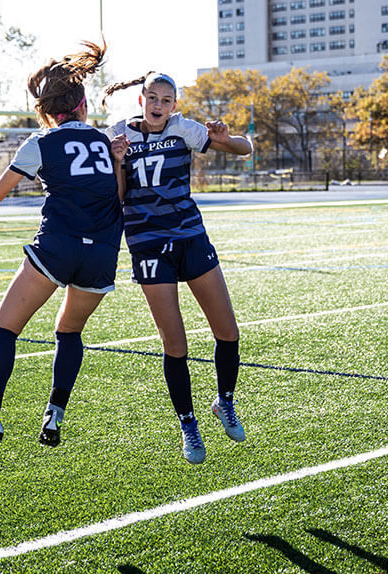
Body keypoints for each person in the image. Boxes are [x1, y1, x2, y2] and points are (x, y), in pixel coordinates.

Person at [0, 40, 125, 460]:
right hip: (102, 252)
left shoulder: (40, 142)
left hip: (58, 247)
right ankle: (54, 414)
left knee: (4, 330)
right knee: (69, 332)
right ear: (83, 104)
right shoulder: (105, 142)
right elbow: (117, 197)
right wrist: (117, 162)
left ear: (47, 110)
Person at [103, 72, 253, 464]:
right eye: (152, 97)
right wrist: (118, 162)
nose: (158, 105)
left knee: (228, 330)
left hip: (190, 237)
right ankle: (188, 424)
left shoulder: (183, 129)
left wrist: (223, 135)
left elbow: (244, 148)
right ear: (141, 100)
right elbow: (117, 198)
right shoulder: (117, 134)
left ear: (174, 104)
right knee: (176, 344)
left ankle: (225, 401)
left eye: (166, 99)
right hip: (148, 245)